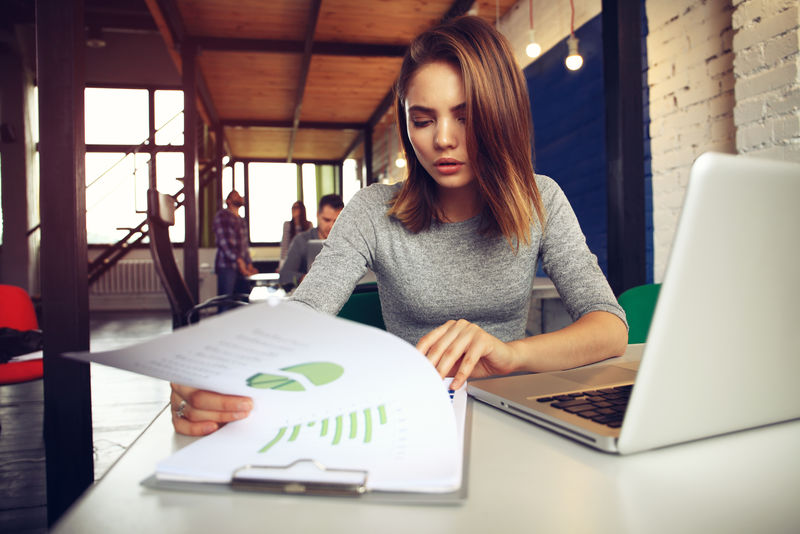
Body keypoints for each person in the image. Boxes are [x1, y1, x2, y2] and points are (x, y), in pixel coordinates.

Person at [170, 15, 627, 436]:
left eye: (465, 117)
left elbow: (609, 326)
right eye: (422, 120)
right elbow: (304, 312)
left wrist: (513, 355)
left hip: (515, 411)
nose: (443, 139)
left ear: (500, 115)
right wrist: (223, 369)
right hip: (412, 415)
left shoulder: (540, 199)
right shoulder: (373, 210)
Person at [278, 194, 344, 288]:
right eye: (326, 220)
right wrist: (303, 278)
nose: (331, 226)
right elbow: (284, 276)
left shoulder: (347, 241)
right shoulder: (301, 241)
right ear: (318, 215)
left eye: (337, 221)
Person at [212, 190, 258, 309]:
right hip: (227, 267)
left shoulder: (241, 220)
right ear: (228, 201)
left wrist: (249, 264)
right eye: (235, 195)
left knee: (244, 303)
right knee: (225, 304)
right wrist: (239, 261)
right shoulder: (222, 216)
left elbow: (244, 246)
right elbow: (225, 243)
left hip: (242, 269)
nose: (239, 197)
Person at [278, 200, 312, 271]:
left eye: (296, 207)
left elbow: (310, 246)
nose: (293, 210)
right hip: (290, 260)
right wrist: (282, 264)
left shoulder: (309, 225)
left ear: (302, 210)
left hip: (304, 261)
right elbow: (284, 245)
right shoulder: (287, 225)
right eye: (293, 207)